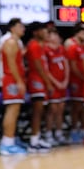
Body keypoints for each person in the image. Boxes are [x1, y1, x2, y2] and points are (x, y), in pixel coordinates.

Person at [0, 18, 28, 155]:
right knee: (12, 109)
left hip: (14, 78)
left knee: (15, 110)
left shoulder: (16, 43)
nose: (23, 28)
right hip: (11, 79)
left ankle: (10, 140)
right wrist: (19, 81)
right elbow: (11, 64)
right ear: (12, 28)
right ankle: (7, 143)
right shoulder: (10, 42)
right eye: (20, 26)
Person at [24, 22, 54, 153]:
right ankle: (33, 141)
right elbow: (38, 66)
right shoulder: (34, 46)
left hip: (41, 80)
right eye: (43, 30)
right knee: (37, 111)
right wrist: (48, 82)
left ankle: (37, 137)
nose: (46, 32)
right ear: (36, 32)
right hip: (36, 81)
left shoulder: (41, 46)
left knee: (42, 111)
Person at [43, 27, 70, 145]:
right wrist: (55, 82)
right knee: (52, 109)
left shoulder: (62, 49)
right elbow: (46, 69)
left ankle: (59, 133)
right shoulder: (45, 50)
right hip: (53, 85)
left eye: (56, 35)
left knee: (61, 109)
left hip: (63, 83)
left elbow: (66, 65)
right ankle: (48, 134)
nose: (56, 37)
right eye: (53, 35)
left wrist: (65, 80)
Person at [65, 22, 84, 144]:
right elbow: (72, 65)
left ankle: (82, 129)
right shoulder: (71, 44)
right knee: (76, 106)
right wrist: (82, 77)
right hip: (76, 80)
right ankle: (74, 130)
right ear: (78, 32)